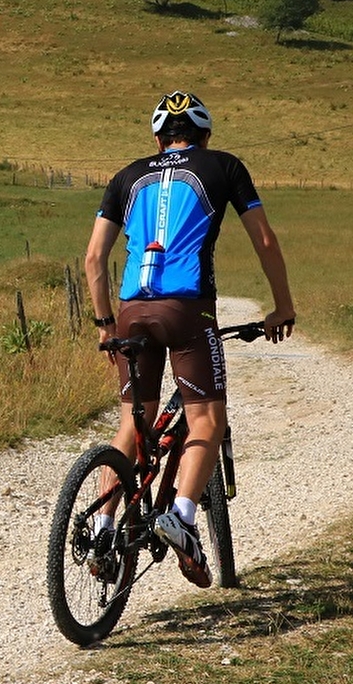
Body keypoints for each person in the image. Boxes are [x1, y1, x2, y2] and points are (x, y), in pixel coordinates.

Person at [82, 90, 295, 587]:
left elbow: (94, 259)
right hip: (187, 306)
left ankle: (103, 526)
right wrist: (281, 305)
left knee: (131, 427)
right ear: (205, 135)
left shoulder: (127, 176)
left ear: (158, 138)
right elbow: (264, 239)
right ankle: (179, 516)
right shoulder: (224, 166)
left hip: (132, 311)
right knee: (207, 418)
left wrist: (104, 324)